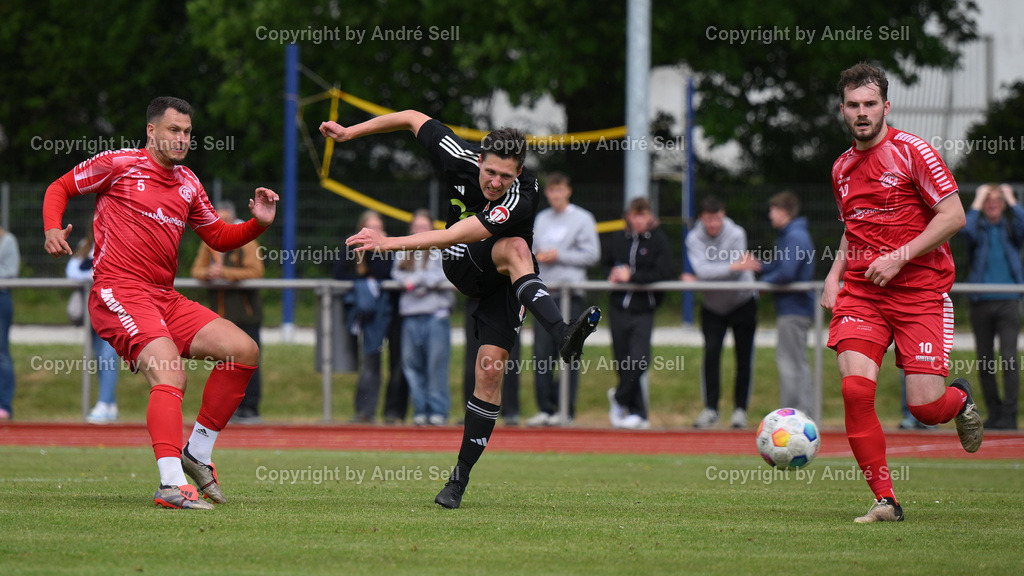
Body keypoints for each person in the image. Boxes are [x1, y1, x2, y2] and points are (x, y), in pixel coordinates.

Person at [321, 111, 601, 509]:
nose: (494, 182)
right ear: (480, 158)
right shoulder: (457, 153)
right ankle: (561, 333)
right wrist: (351, 131)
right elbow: (410, 118)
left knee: (489, 371)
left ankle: (457, 481)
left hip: (506, 281)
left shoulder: (526, 191)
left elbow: (465, 228)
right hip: (462, 261)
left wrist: (388, 242)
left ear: (519, 172)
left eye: (505, 176)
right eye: (489, 172)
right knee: (517, 248)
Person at [44, 96, 279, 510]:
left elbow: (220, 238)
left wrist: (257, 223)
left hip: (164, 298)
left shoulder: (188, 182)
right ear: (151, 130)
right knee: (170, 374)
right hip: (119, 290)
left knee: (244, 351)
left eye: (187, 132)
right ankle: (171, 483)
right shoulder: (117, 164)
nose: (182, 138)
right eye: (174, 130)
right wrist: (51, 228)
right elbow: (59, 186)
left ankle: (198, 454)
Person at [822, 63, 982, 523]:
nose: (862, 112)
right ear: (843, 110)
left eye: (870, 104)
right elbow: (852, 231)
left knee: (926, 408)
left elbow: (953, 216)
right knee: (855, 391)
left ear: (886, 106)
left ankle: (960, 399)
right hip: (862, 293)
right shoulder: (841, 168)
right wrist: (834, 277)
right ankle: (886, 500)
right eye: (853, 105)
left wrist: (899, 256)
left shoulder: (914, 152)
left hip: (920, 294)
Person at [525, 172, 600, 427]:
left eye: (560, 190)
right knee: (541, 353)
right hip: (545, 294)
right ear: (547, 193)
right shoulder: (541, 218)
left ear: (568, 191)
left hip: (571, 296)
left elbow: (592, 254)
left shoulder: (582, 218)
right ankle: (545, 409)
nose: (556, 195)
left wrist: (560, 255)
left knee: (569, 351)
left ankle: (565, 409)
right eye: (552, 190)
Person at [683, 197, 758, 429]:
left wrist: (713, 272)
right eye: (708, 219)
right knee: (711, 354)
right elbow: (704, 271)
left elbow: (733, 273)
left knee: (743, 357)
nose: (713, 224)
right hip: (712, 307)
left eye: (717, 218)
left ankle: (740, 410)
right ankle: (711, 409)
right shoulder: (694, 238)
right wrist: (731, 267)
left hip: (742, 301)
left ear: (723, 215)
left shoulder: (736, 233)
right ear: (702, 218)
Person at [191, 201, 265, 424]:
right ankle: (228, 409)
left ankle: (250, 408)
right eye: (218, 219)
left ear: (234, 220)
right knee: (225, 365)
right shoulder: (210, 243)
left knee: (249, 362)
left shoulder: (248, 241)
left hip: (246, 315)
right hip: (221, 317)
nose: (221, 223)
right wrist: (209, 273)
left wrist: (226, 272)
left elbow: (257, 271)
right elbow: (196, 270)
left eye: (225, 219)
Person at [605, 197, 672, 429]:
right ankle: (638, 414)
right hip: (618, 309)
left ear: (649, 216)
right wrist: (613, 273)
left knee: (640, 359)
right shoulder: (617, 238)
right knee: (622, 361)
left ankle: (619, 398)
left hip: (643, 310)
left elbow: (663, 272)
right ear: (628, 216)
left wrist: (632, 277)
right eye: (635, 215)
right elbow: (607, 262)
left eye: (643, 215)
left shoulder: (658, 240)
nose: (639, 220)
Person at [962, 183, 1023, 430]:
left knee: (1009, 358)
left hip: (1009, 301)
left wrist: (1011, 199)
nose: (992, 204)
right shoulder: (978, 229)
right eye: (988, 200)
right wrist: (978, 197)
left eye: (997, 200)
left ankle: (1010, 414)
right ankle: (995, 413)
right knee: (985, 361)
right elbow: (964, 229)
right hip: (981, 302)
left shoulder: (1011, 228)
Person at [750, 191, 816, 417]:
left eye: (772, 210)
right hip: (794, 309)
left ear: (783, 212)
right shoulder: (793, 235)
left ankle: (795, 416)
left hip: (794, 309)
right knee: (796, 361)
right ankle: (803, 412)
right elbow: (782, 266)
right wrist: (759, 266)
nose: (770, 215)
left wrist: (760, 285)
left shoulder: (795, 236)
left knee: (791, 363)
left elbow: (787, 272)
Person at [334, 210, 397, 424]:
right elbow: (339, 273)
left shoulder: (389, 249)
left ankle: (390, 412)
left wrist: (380, 246)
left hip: (390, 313)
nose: (374, 232)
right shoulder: (353, 250)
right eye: (370, 228)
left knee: (393, 363)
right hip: (364, 315)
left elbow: (386, 273)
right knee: (369, 363)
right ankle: (364, 411)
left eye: (378, 228)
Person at [392, 210, 455, 426]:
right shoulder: (403, 250)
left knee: (435, 365)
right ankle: (420, 409)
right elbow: (397, 274)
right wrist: (416, 282)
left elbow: (442, 275)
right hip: (410, 316)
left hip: (435, 316)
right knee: (412, 366)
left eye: (424, 226)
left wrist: (416, 281)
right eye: (416, 227)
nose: (420, 231)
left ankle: (438, 411)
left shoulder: (439, 249)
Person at [67, 229, 122, 424]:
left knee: (108, 357)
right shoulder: (86, 243)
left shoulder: (121, 239)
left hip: (115, 311)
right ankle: (110, 405)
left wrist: (93, 271)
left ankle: (104, 403)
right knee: (100, 357)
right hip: (93, 312)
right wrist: (93, 271)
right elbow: (71, 271)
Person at [0, 225, 18, 420]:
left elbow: (10, 271)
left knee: (1, 351)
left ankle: (4, 404)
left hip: (1, 299)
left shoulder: (8, 241)